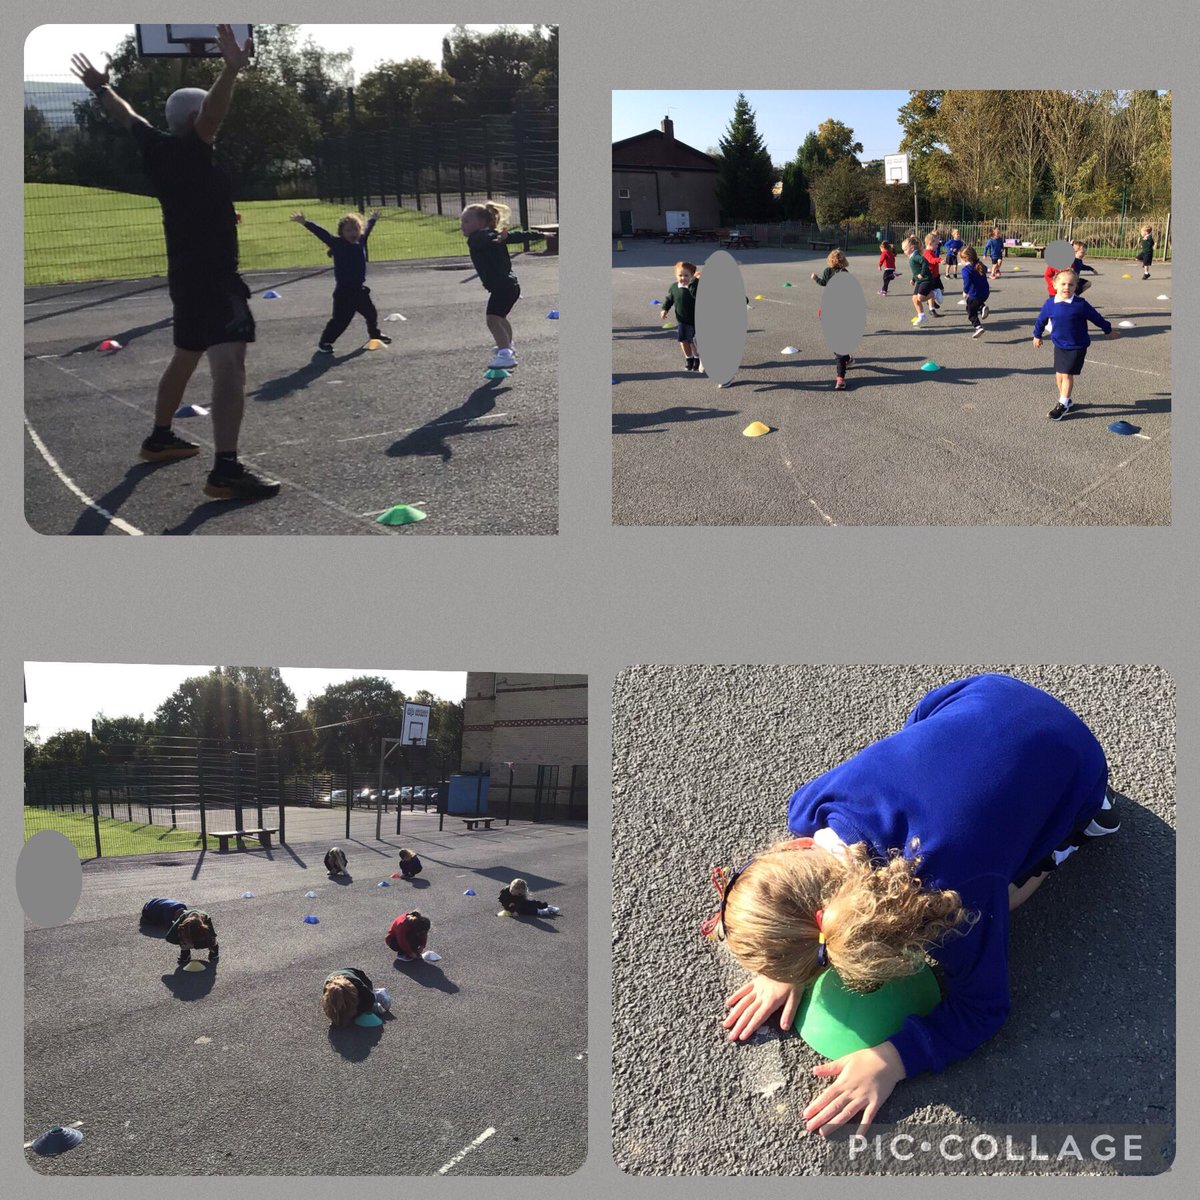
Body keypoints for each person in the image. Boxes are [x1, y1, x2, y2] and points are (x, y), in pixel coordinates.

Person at [708, 674, 1120, 1137]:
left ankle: (1080, 829)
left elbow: (983, 1010)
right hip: (985, 696)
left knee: (1007, 897)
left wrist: (893, 1060)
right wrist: (784, 956)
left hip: (1076, 766)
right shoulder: (810, 807)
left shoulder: (950, 904)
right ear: (793, 848)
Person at [70, 27, 279, 501]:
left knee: (186, 355)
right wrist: (230, 68)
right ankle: (226, 470)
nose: (214, 122)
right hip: (213, 276)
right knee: (231, 366)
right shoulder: (192, 146)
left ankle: (160, 437)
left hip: (184, 275)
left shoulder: (157, 146)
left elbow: (127, 116)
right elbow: (213, 112)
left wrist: (101, 87)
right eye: (205, 115)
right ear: (194, 118)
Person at [291, 210, 390, 354]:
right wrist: (305, 222)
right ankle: (325, 341)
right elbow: (322, 234)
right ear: (341, 232)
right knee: (340, 321)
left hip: (359, 290)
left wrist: (373, 219)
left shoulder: (360, 241)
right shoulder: (337, 244)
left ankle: (374, 335)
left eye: (355, 229)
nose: (352, 232)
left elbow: (367, 230)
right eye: (348, 230)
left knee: (371, 313)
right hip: (344, 292)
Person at [1033, 270, 1118, 420]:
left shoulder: (1080, 304)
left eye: (1071, 284)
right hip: (1059, 344)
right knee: (1059, 374)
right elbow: (1041, 320)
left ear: (1076, 286)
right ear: (1054, 285)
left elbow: (1096, 317)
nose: (1067, 287)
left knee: (1066, 374)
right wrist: (1037, 335)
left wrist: (1108, 330)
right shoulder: (1050, 304)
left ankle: (1063, 404)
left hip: (1077, 345)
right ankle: (1066, 399)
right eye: (1063, 284)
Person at [460, 201, 521, 371]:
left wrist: (496, 238)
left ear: (481, 223)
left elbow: (483, 240)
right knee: (500, 318)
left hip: (503, 287)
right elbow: (513, 236)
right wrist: (539, 235)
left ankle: (505, 354)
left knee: (492, 319)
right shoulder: (491, 235)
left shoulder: (477, 237)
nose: (462, 226)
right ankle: (508, 347)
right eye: (461, 222)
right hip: (511, 286)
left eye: (466, 222)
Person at [811, 250, 854, 389]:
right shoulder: (844, 273)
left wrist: (815, 278)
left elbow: (823, 283)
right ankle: (845, 363)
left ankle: (841, 375)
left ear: (830, 260)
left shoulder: (827, 271)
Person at [141, 899, 219, 967]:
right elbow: (170, 937)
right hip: (151, 910)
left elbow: (212, 935)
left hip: (201, 929)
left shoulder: (206, 919)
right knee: (183, 937)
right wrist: (182, 941)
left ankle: (214, 953)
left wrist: (209, 945)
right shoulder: (182, 918)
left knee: (211, 939)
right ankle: (185, 954)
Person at [660, 261, 700, 372]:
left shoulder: (695, 287)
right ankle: (689, 359)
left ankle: (698, 359)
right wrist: (664, 309)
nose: (683, 278)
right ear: (676, 276)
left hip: (695, 320)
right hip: (682, 320)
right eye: (680, 275)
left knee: (693, 341)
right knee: (683, 341)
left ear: (692, 275)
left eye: (686, 275)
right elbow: (669, 299)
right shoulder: (674, 287)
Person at [321, 967, 388, 1026]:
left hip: (358, 975)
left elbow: (370, 999)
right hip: (337, 976)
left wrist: (357, 1013)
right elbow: (329, 1008)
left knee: (366, 1002)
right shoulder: (327, 993)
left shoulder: (359, 986)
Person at [959, 246, 990, 338]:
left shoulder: (966, 270)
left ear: (966, 259)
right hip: (985, 293)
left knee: (970, 310)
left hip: (975, 294)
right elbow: (986, 269)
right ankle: (982, 307)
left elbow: (967, 281)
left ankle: (978, 327)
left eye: (961, 259)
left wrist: (965, 291)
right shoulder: (980, 265)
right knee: (977, 303)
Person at [903, 236, 935, 327]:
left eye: (905, 249)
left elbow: (925, 262)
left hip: (926, 279)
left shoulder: (916, 256)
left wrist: (922, 273)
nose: (904, 252)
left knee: (920, 298)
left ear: (912, 248)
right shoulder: (912, 257)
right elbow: (916, 270)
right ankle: (921, 316)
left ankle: (935, 293)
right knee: (914, 299)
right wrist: (913, 279)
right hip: (920, 281)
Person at [922, 233, 945, 315]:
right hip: (930, 277)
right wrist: (939, 260)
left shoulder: (932, 251)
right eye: (936, 244)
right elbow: (931, 260)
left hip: (936, 276)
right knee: (931, 292)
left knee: (941, 290)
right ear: (930, 243)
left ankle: (932, 300)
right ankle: (932, 309)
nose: (937, 246)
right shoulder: (927, 253)